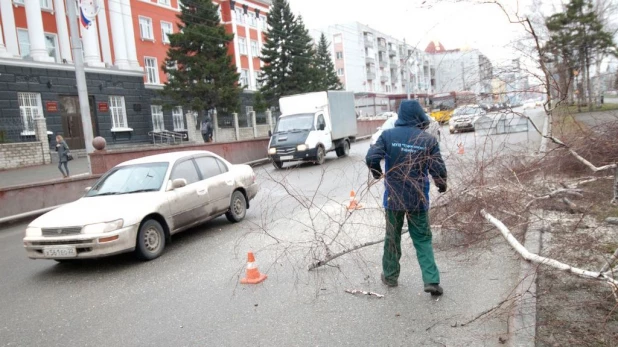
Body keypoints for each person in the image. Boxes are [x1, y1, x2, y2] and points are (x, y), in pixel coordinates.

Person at [365, 100, 448, 296]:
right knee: (422, 239)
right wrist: (441, 184)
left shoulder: (388, 136)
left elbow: (371, 157)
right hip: (417, 199)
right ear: (419, 115)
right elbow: (438, 168)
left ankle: (390, 276)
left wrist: (377, 173)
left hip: (394, 199)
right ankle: (431, 280)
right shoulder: (427, 140)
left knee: (392, 238)